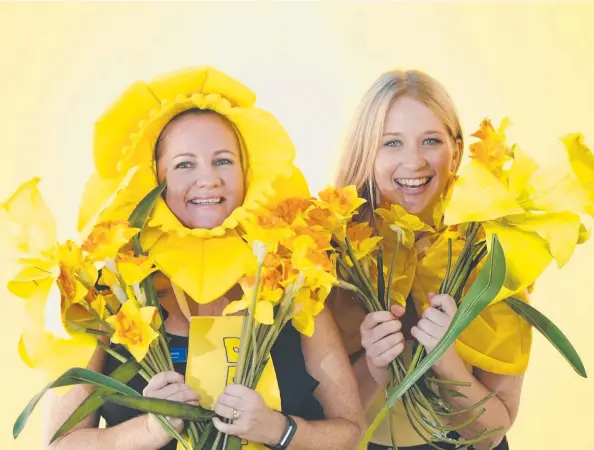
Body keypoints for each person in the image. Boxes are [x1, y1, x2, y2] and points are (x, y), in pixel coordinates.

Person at [42, 67, 364, 450]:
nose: (208, 179)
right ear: (152, 178)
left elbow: (351, 432)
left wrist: (278, 430)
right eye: (184, 164)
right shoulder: (108, 293)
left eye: (223, 161)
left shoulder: (291, 283)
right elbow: (57, 445)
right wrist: (147, 430)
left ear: (248, 173)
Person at [328, 69, 532, 450]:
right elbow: (317, 416)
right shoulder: (334, 248)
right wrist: (374, 364)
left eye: (431, 141)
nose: (414, 162)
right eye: (391, 143)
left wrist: (445, 356)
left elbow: (491, 434)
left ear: (456, 149)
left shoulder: (491, 249)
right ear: (365, 152)